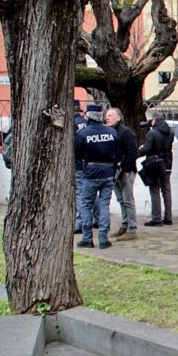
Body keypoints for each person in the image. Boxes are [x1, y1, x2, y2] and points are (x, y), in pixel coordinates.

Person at [75, 104, 120, 249]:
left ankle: (87, 238)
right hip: (108, 172)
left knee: (86, 204)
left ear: (88, 115)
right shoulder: (112, 132)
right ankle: (103, 238)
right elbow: (118, 153)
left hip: (90, 172)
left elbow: (77, 154)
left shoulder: (83, 133)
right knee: (104, 205)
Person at [104, 107, 138, 240]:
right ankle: (125, 225)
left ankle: (132, 228)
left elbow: (132, 151)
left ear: (118, 117)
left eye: (110, 115)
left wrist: (127, 169)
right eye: (106, 115)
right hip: (115, 171)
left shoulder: (125, 132)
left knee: (128, 200)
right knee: (121, 200)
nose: (107, 118)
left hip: (125, 171)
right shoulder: (110, 131)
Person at [139, 111, 174, 226]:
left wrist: (141, 148)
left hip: (155, 164)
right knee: (166, 190)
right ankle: (168, 218)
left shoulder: (152, 133)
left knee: (154, 190)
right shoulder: (170, 132)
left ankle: (157, 218)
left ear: (154, 120)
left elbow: (147, 149)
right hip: (167, 164)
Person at [73, 100, 98, 234]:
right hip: (90, 162)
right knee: (92, 192)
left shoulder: (72, 124)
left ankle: (80, 223)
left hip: (79, 164)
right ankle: (98, 219)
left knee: (81, 194)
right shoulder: (85, 123)